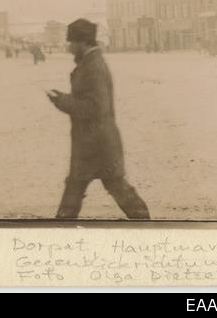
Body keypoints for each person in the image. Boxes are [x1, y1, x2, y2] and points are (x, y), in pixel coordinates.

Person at [47, 19, 150, 220]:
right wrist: (64, 99)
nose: (69, 47)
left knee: (110, 185)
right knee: (81, 186)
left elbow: (95, 108)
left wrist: (63, 101)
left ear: (84, 42)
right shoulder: (89, 63)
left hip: (97, 142)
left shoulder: (93, 67)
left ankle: (144, 222)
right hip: (94, 141)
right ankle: (142, 220)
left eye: (72, 43)